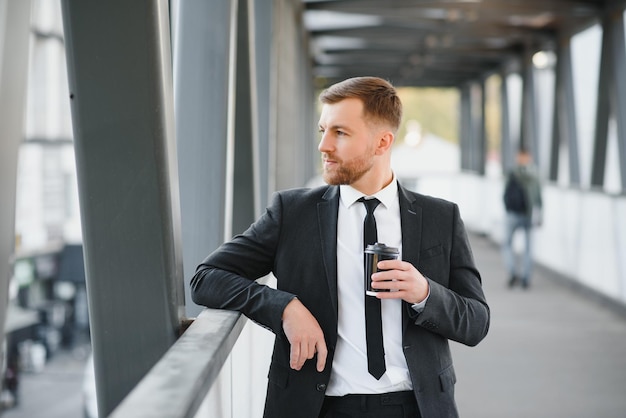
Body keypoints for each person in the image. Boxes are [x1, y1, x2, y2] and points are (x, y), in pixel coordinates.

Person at [191, 76, 490, 418]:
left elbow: (476, 321)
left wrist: (424, 293)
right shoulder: (292, 213)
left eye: (340, 133)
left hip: (416, 407)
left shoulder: (441, 217)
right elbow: (206, 278)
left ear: (382, 142)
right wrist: (285, 307)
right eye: (323, 130)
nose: (323, 146)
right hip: (318, 408)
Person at [502, 149, 543, 289]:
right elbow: (539, 197)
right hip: (528, 214)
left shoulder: (513, 171)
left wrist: (506, 208)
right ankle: (526, 277)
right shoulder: (535, 174)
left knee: (507, 243)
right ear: (529, 157)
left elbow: (505, 192)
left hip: (513, 214)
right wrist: (540, 215)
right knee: (528, 247)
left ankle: (513, 272)